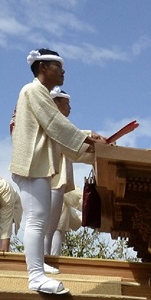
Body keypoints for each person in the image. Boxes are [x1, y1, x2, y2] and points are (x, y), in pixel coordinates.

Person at [9, 48, 104, 294]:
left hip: (36, 164)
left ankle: (38, 265)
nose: (63, 72)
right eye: (58, 67)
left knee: (39, 220)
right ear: (43, 67)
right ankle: (36, 277)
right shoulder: (32, 90)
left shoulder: (37, 92)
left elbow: (56, 127)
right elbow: (55, 123)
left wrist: (88, 138)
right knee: (37, 219)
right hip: (31, 165)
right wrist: (88, 138)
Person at [46, 86, 93, 255]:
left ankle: (47, 259)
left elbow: (75, 149)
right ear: (56, 104)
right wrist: (91, 139)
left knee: (54, 225)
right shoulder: (51, 124)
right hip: (48, 179)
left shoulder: (62, 127)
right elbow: (70, 140)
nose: (70, 108)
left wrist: (95, 148)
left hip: (59, 183)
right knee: (47, 226)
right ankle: (43, 260)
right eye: (67, 103)